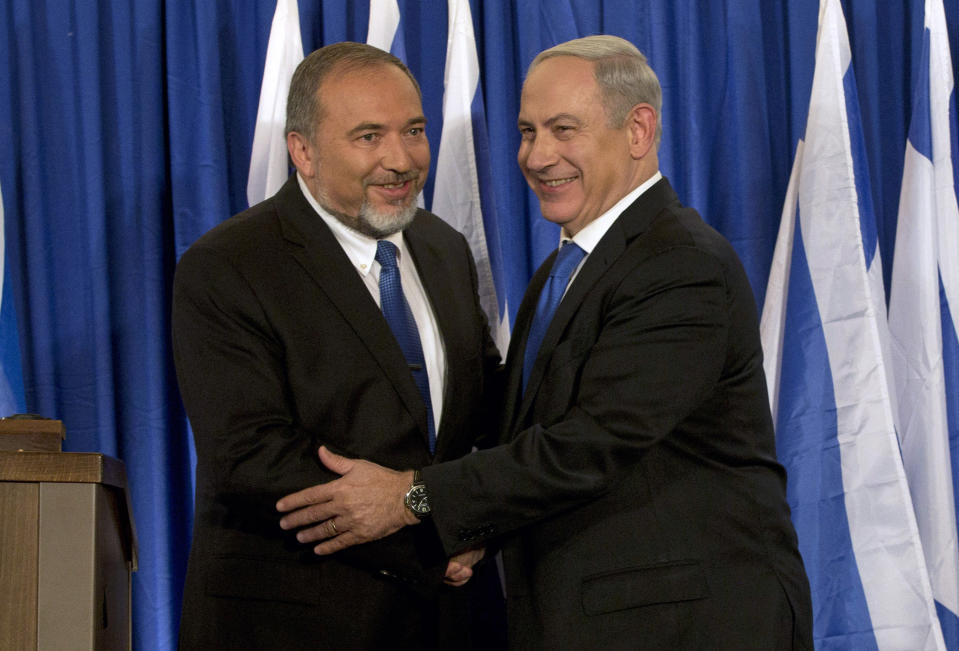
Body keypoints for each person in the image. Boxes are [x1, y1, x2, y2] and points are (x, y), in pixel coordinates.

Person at [276, 35, 814, 649]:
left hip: (688, 624)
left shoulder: (680, 265)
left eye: (564, 130)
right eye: (528, 132)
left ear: (638, 131)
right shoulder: (572, 266)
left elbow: (589, 444)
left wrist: (413, 497)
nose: (537, 156)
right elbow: (515, 415)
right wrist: (461, 523)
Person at [172, 42, 504, 650]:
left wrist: (480, 519)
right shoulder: (229, 264)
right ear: (303, 151)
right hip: (294, 621)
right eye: (369, 137)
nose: (401, 159)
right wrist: (438, 530)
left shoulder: (444, 249)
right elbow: (251, 455)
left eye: (414, 130)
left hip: (447, 621)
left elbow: (483, 410)